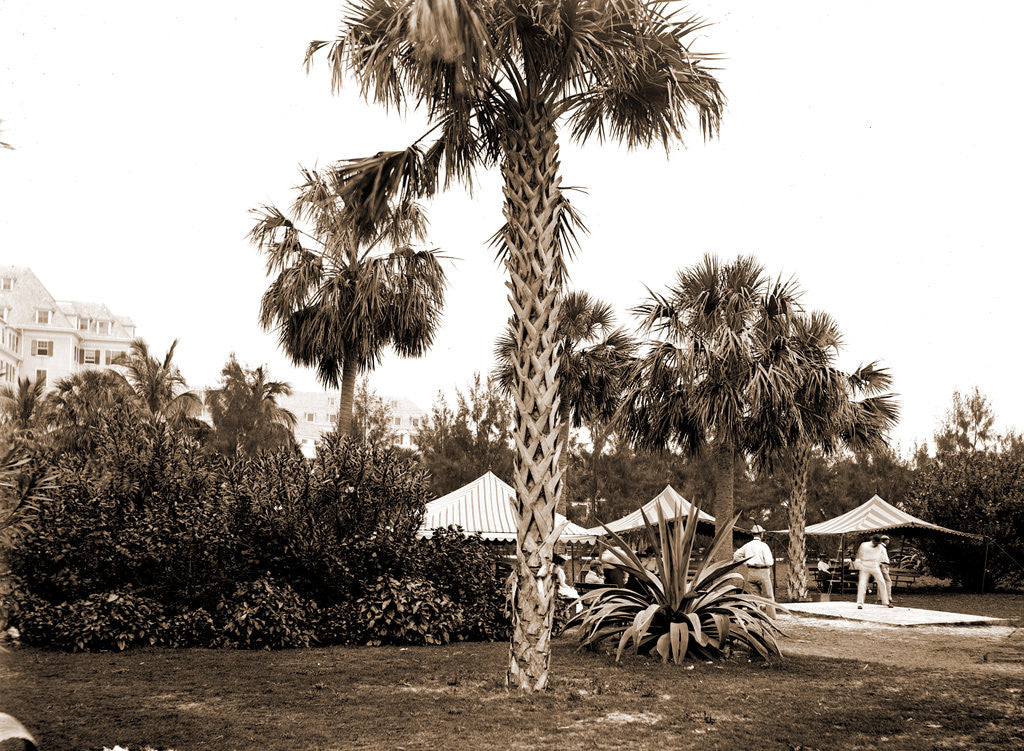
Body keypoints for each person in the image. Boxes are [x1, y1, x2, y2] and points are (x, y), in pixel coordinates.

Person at [732, 525, 777, 619]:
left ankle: (756, 616)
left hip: (751, 572)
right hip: (763, 571)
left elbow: (736, 556)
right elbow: (769, 562)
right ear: (761, 534)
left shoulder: (747, 545)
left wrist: (746, 562)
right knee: (768, 596)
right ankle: (771, 617)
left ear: (753, 534)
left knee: (754, 596)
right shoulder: (764, 546)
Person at [854, 534, 892, 608]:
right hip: (865, 565)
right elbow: (859, 555)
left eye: (878, 543)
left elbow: (881, 556)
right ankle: (860, 603)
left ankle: (886, 602)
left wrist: (882, 564)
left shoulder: (880, 546)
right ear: (872, 540)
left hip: (875, 565)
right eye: (875, 543)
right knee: (862, 584)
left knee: (882, 582)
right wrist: (858, 564)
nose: (876, 545)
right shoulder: (864, 545)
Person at [879, 534, 894, 604]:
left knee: (881, 581)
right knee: (888, 581)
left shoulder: (882, 547)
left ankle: (880, 597)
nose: (888, 541)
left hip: (884, 565)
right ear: (885, 540)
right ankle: (888, 597)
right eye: (888, 540)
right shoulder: (880, 547)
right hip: (883, 565)